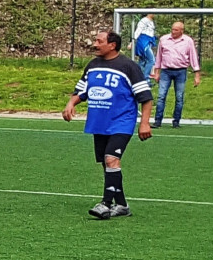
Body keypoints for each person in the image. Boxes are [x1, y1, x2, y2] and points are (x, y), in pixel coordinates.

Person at [63, 30, 154, 219]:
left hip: (122, 121)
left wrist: (144, 123)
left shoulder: (128, 67)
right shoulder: (93, 66)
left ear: (112, 45)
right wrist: (71, 103)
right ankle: (122, 205)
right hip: (99, 122)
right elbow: (81, 91)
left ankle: (105, 204)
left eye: (99, 41)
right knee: (108, 165)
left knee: (111, 159)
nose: (95, 44)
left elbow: (146, 97)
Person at [151, 21, 199, 128]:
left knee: (179, 97)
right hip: (166, 71)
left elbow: (193, 57)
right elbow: (159, 56)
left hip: (181, 71)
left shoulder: (188, 41)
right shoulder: (164, 39)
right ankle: (157, 121)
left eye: (176, 30)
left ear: (182, 31)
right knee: (161, 96)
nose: (173, 32)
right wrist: (156, 72)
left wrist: (196, 74)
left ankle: (176, 121)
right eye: (172, 29)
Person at [131, 14, 159, 78]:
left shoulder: (151, 21)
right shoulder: (144, 20)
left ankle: (137, 77)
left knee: (142, 60)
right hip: (143, 42)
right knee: (151, 60)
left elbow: (149, 32)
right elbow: (138, 30)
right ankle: (146, 77)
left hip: (148, 42)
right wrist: (132, 41)